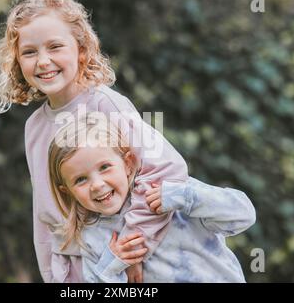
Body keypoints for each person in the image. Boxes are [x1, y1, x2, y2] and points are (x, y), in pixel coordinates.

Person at [0, 0, 188, 282]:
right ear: (17, 62)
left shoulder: (105, 104)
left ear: (81, 51)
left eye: (55, 47)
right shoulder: (34, 128)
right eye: (30, 52)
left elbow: (166, 171)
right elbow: (46, 215)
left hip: (134, 268)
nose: (43, 61)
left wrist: (133, 248)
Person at [48, 114, 256, 282]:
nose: (97, 185)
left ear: (128, 163)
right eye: (81, 180)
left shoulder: (170, 192)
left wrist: (185, 197)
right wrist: (113, 264)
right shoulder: (92, 236)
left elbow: (243, 215)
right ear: (67, 190)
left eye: (104, 167)